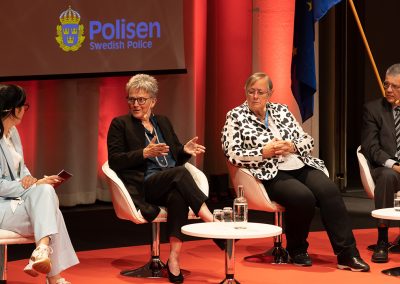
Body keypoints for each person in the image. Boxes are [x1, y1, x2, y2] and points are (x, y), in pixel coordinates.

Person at [221, 72, 370, 272]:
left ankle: (348, 254)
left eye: (260, 92)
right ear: (245, 92)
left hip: (297, 162)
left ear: (269, 94)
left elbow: (307, 140)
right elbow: (230, 152)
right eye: (251, 91)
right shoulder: (236, 116)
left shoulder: (282, 111)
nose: (255, 96)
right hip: (268, 170)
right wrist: (262, 152)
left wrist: (292, 146)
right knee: (303, 197)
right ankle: (297, 249)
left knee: (330, 191)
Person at [107, 74, 215, 283]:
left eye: (141, 99)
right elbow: (115, 161)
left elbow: (175, 156)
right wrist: (144, 153)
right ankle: (211, 220)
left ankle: (174, 259)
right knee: (180, 175)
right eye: (131, 99)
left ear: (153, 101)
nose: (135, 104)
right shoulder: (120, 124)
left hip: (169, 181)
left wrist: (184, 150)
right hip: (144, 185)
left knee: (178, 196)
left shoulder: (162, 122)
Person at [0, 84, 79, 284]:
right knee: (51, 211)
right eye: (24, 106)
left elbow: (21, 167)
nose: (25, 111)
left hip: (17, 201)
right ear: (14, 109)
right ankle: (52, 274)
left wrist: (34, 180)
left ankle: (41, 251)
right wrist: (30, 185)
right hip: (2, 205)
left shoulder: (13, 133)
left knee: (45, 192)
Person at [361, 63, 400, 263]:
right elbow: (371, 148)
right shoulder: (373, 109)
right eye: (387, 85)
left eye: (395, 86)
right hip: (387, 168)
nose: (389, 90)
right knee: (386, 177)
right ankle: (382, 240)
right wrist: (394, 165)